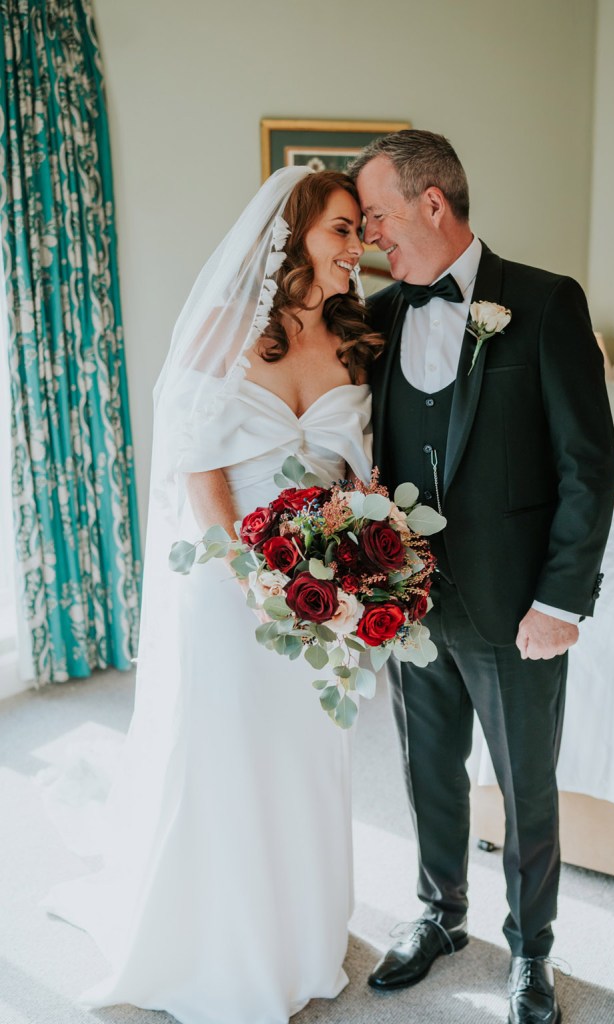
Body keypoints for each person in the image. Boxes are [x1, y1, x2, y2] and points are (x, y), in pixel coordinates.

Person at [43, 167, 382, 1024]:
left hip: (320, 585)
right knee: (226, 746)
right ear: (297, 231)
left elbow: (358, 471)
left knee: (305, 754)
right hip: (230, 578)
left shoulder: (352, 341)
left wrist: (362, 552)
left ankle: (297, 931)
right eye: (342, 229)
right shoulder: (227, 330)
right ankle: (215, 940)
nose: (357, 248)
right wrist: (249, 569)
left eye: (359, 232)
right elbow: (196, 463)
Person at [350, 130, 614, 1024]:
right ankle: (438, 915)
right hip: (409, 602)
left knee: (523, 784)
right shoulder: (378, 317)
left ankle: (531, 950)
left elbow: (588, 463)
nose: (371, 235)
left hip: (515, 608)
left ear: (433, 203)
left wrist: (560, 601)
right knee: (426, 768)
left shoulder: (543, 303)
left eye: (379, 214)